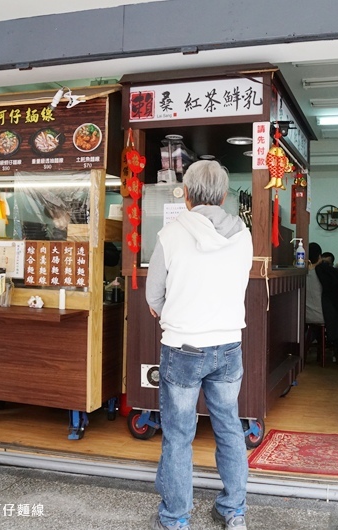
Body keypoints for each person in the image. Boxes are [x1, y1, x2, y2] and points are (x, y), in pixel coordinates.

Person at [145, 161, 252, 530]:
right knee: (229, 427)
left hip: (183, 348)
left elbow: (153, 296)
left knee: (178, 435)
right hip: (228, 346)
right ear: (223, 196)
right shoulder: (243, 235)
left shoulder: (171, 234)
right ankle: (233, 511)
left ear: (186, 194)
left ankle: (176, 518)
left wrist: (174, 314)